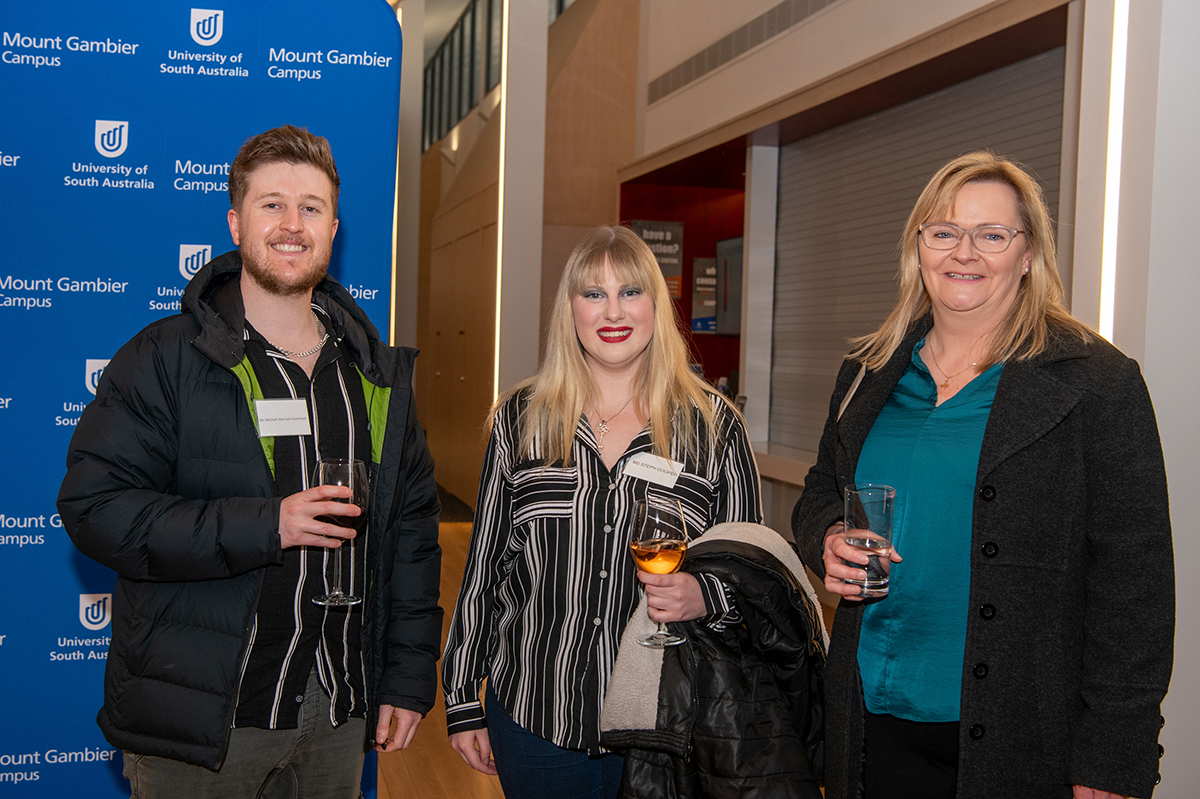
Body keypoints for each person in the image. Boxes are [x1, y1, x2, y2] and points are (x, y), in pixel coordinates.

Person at [57, 125, 442, 799]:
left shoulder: (374, 375)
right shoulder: (163, 359)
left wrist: (407, 680)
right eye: (272, 205)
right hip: (206, 716)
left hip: (337, 710)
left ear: (333, 229)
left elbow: (411, 537)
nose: (293, 224)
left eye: (311, 208)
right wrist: (266, 526)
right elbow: (96, 509)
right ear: (236, 223)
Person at [792, 151, 1173, 799]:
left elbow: (1134, 588)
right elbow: (820, 492)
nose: (964, 252)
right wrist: (827, 535)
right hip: (869, 716)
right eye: (944, 232)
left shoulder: (1096, 383)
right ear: (919, 247)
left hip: (1024, 731)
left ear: (1029, 254)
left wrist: (1113, 758)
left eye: (992, 234)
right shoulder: (867, 371)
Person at [441, 225, 763, 799]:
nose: (613, 311)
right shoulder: (521, 419)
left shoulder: (714, 427)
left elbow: (751, 576)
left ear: (656, 306)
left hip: (667, 730)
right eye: (594, 293)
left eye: (630, 292)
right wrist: (463, 696)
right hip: (537, 721)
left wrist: (705, 596)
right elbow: (486, 567)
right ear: (571, 309)